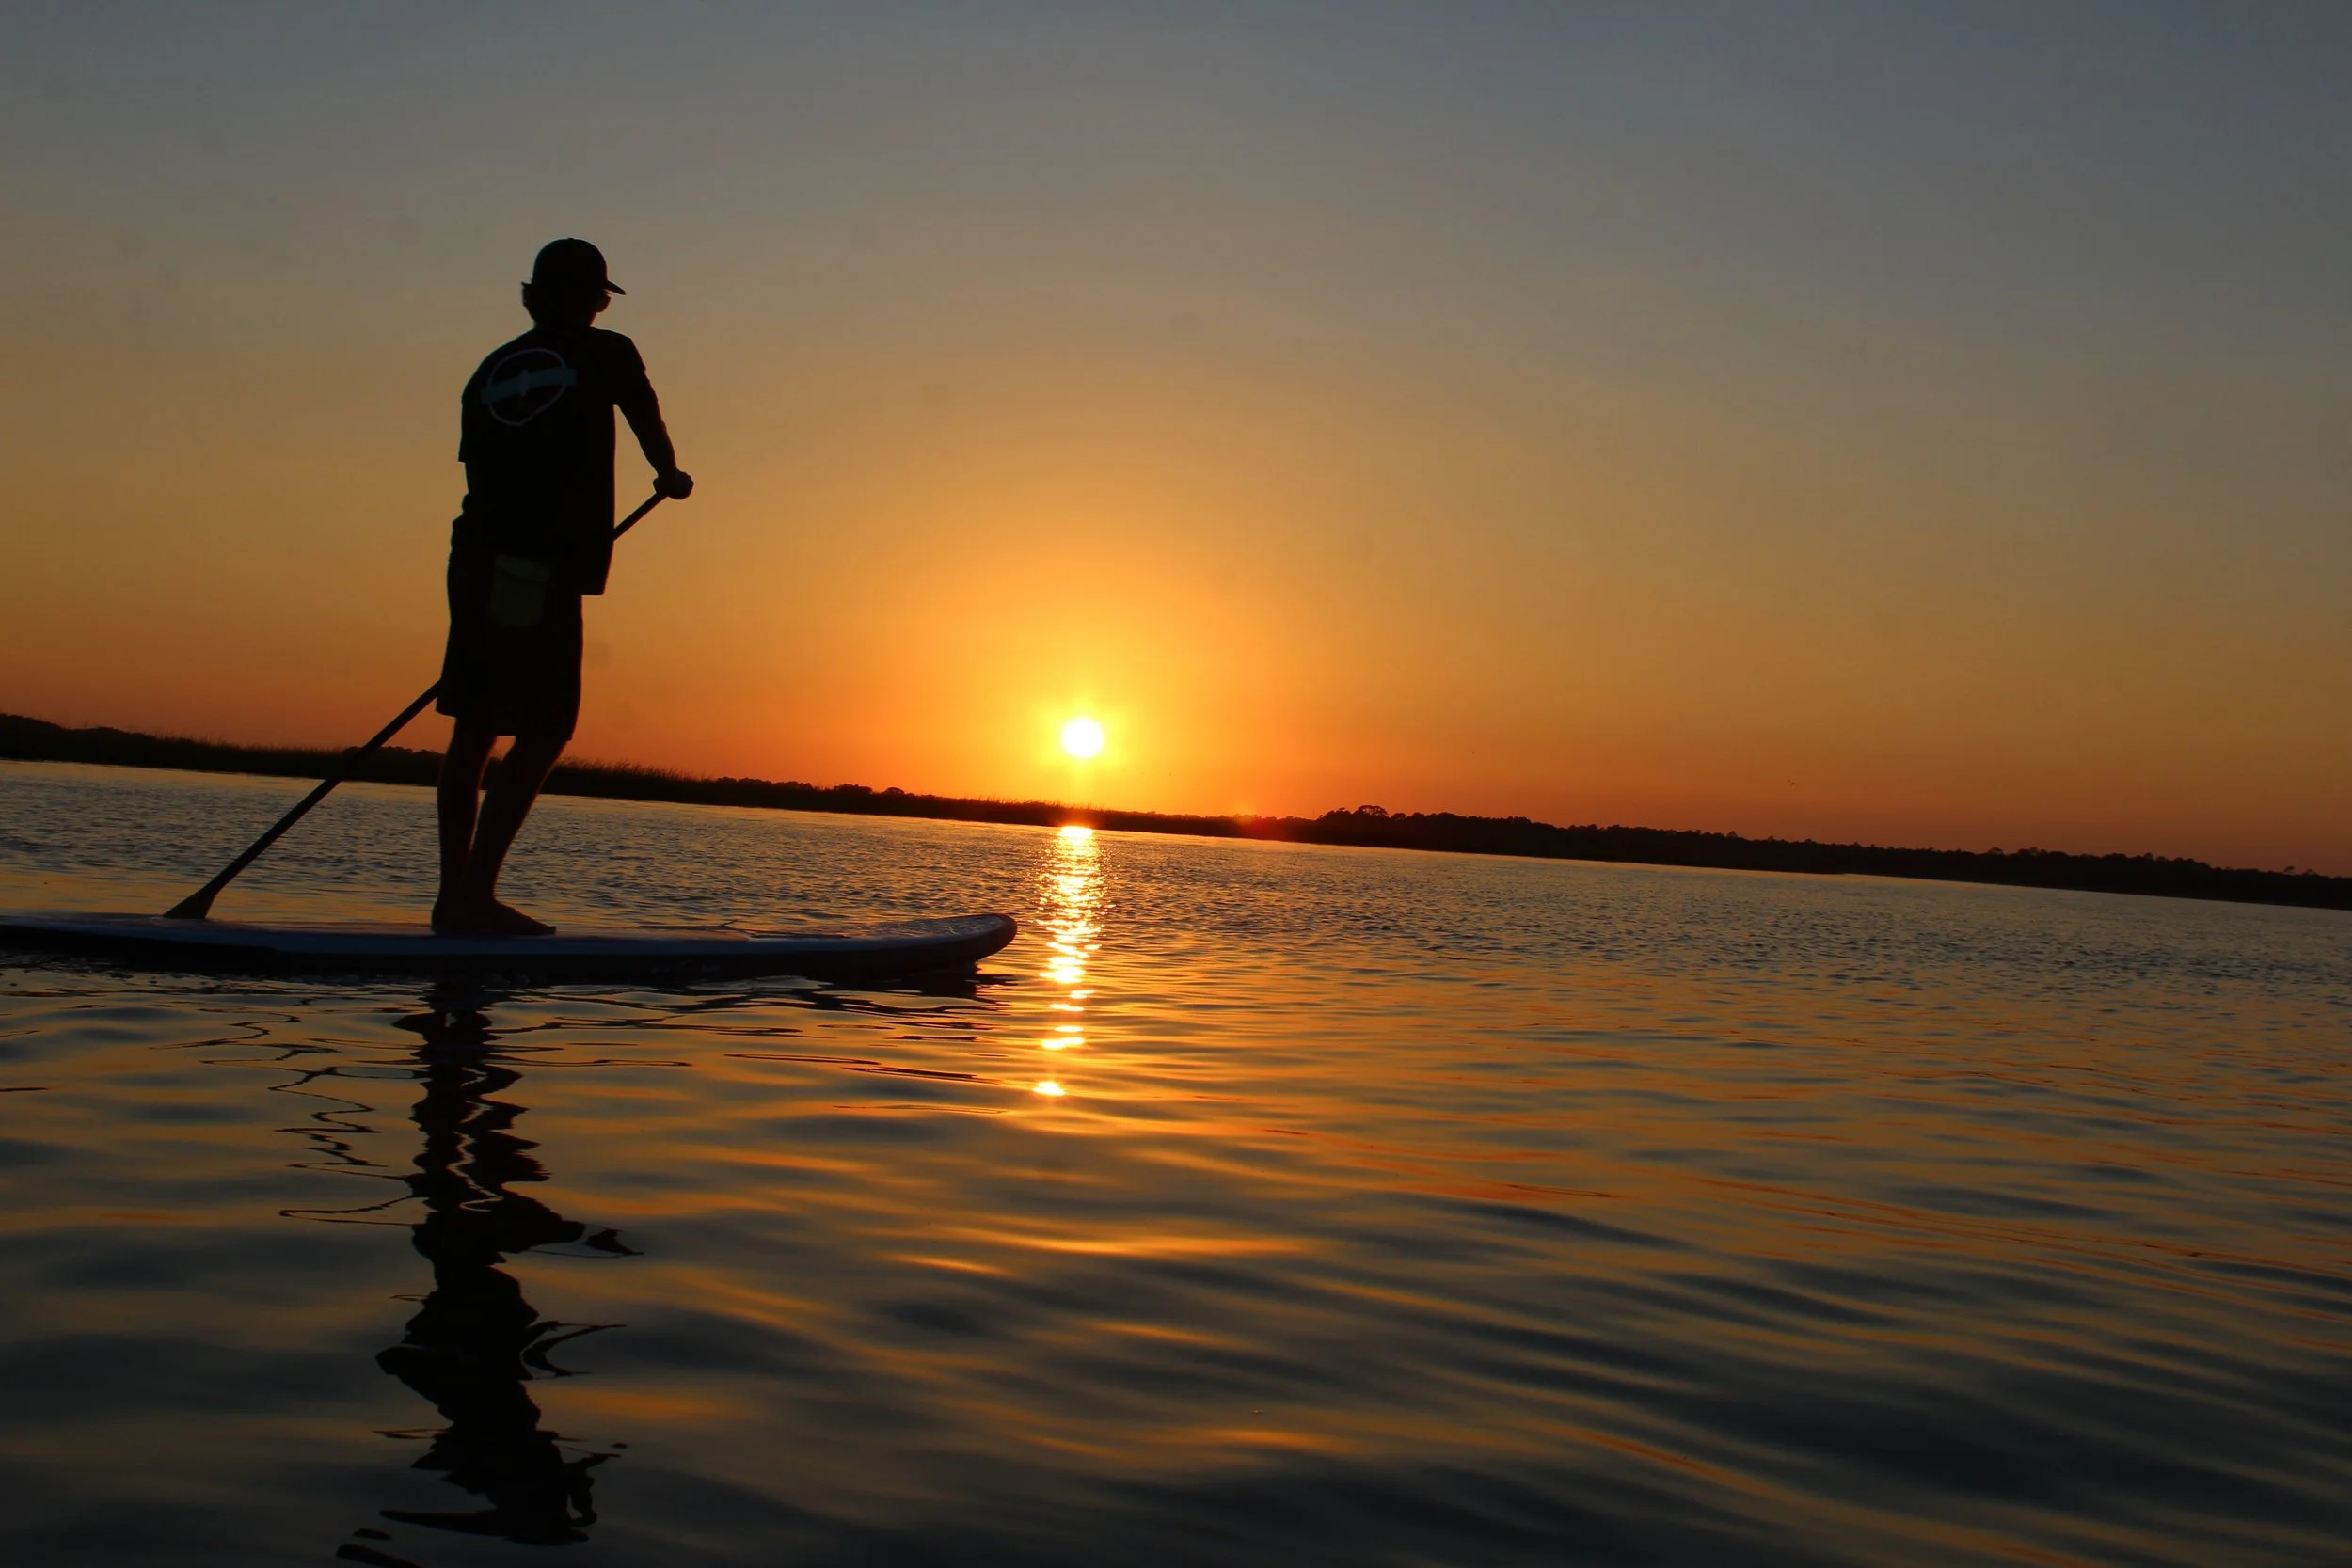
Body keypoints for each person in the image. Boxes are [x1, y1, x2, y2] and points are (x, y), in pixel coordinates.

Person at [434, 239, 691, 935]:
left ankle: (452, 899)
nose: (602, 307)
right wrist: (669, 473)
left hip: (475, 556)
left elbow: (480, 474)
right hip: (536, 567)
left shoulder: (489, 371)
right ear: (590, 300)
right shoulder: (607, 352)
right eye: (600, 296)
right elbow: (645, 417)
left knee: (475, 728)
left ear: (532, 296)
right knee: (547, 726)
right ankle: (472, 898)